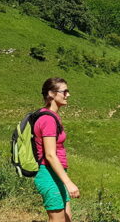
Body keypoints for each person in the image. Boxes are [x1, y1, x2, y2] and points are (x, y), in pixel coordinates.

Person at [33, 77, 80, 222]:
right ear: (51, 94)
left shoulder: (52, 116)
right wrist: (69, 183)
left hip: (56, 175)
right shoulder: (47, 120)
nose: (68, 95)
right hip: (49, 175)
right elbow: (50, 155)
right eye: (64, 91)